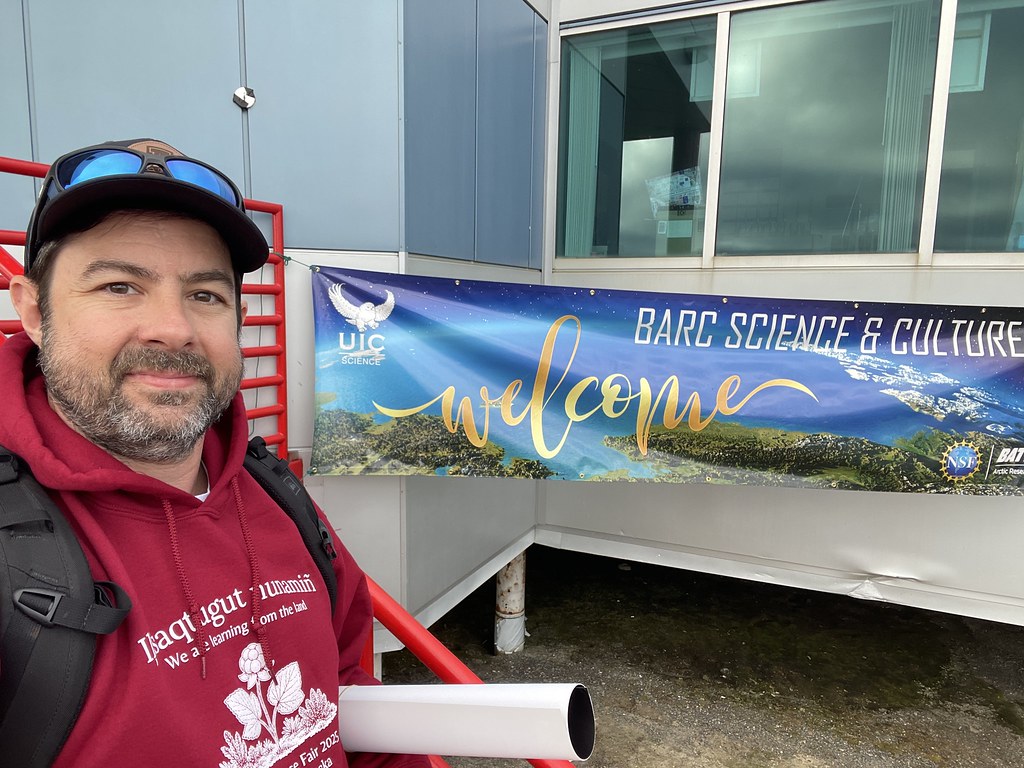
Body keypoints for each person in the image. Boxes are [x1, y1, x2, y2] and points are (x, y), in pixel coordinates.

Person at [1, 138, 430, 768]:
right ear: (35, 312)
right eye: (120, 286)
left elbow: (350, 697)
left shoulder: (277, 497)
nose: (173, 328)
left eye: (205, 295)